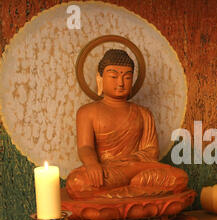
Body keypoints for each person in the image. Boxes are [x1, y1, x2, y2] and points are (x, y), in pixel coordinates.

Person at [66, 49, 188, 199]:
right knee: (77, 182)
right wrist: (92, 164)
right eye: (113, 76)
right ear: (100, 78)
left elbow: (151, 152)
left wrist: (131, 163)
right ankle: (135, 192)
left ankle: (116, 195)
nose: (121, 82)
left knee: (180, 178)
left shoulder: (143, 113)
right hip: (108, 172)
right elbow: (86, 147)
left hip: (139, 169)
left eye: (127, 77)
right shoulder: (87, 112)